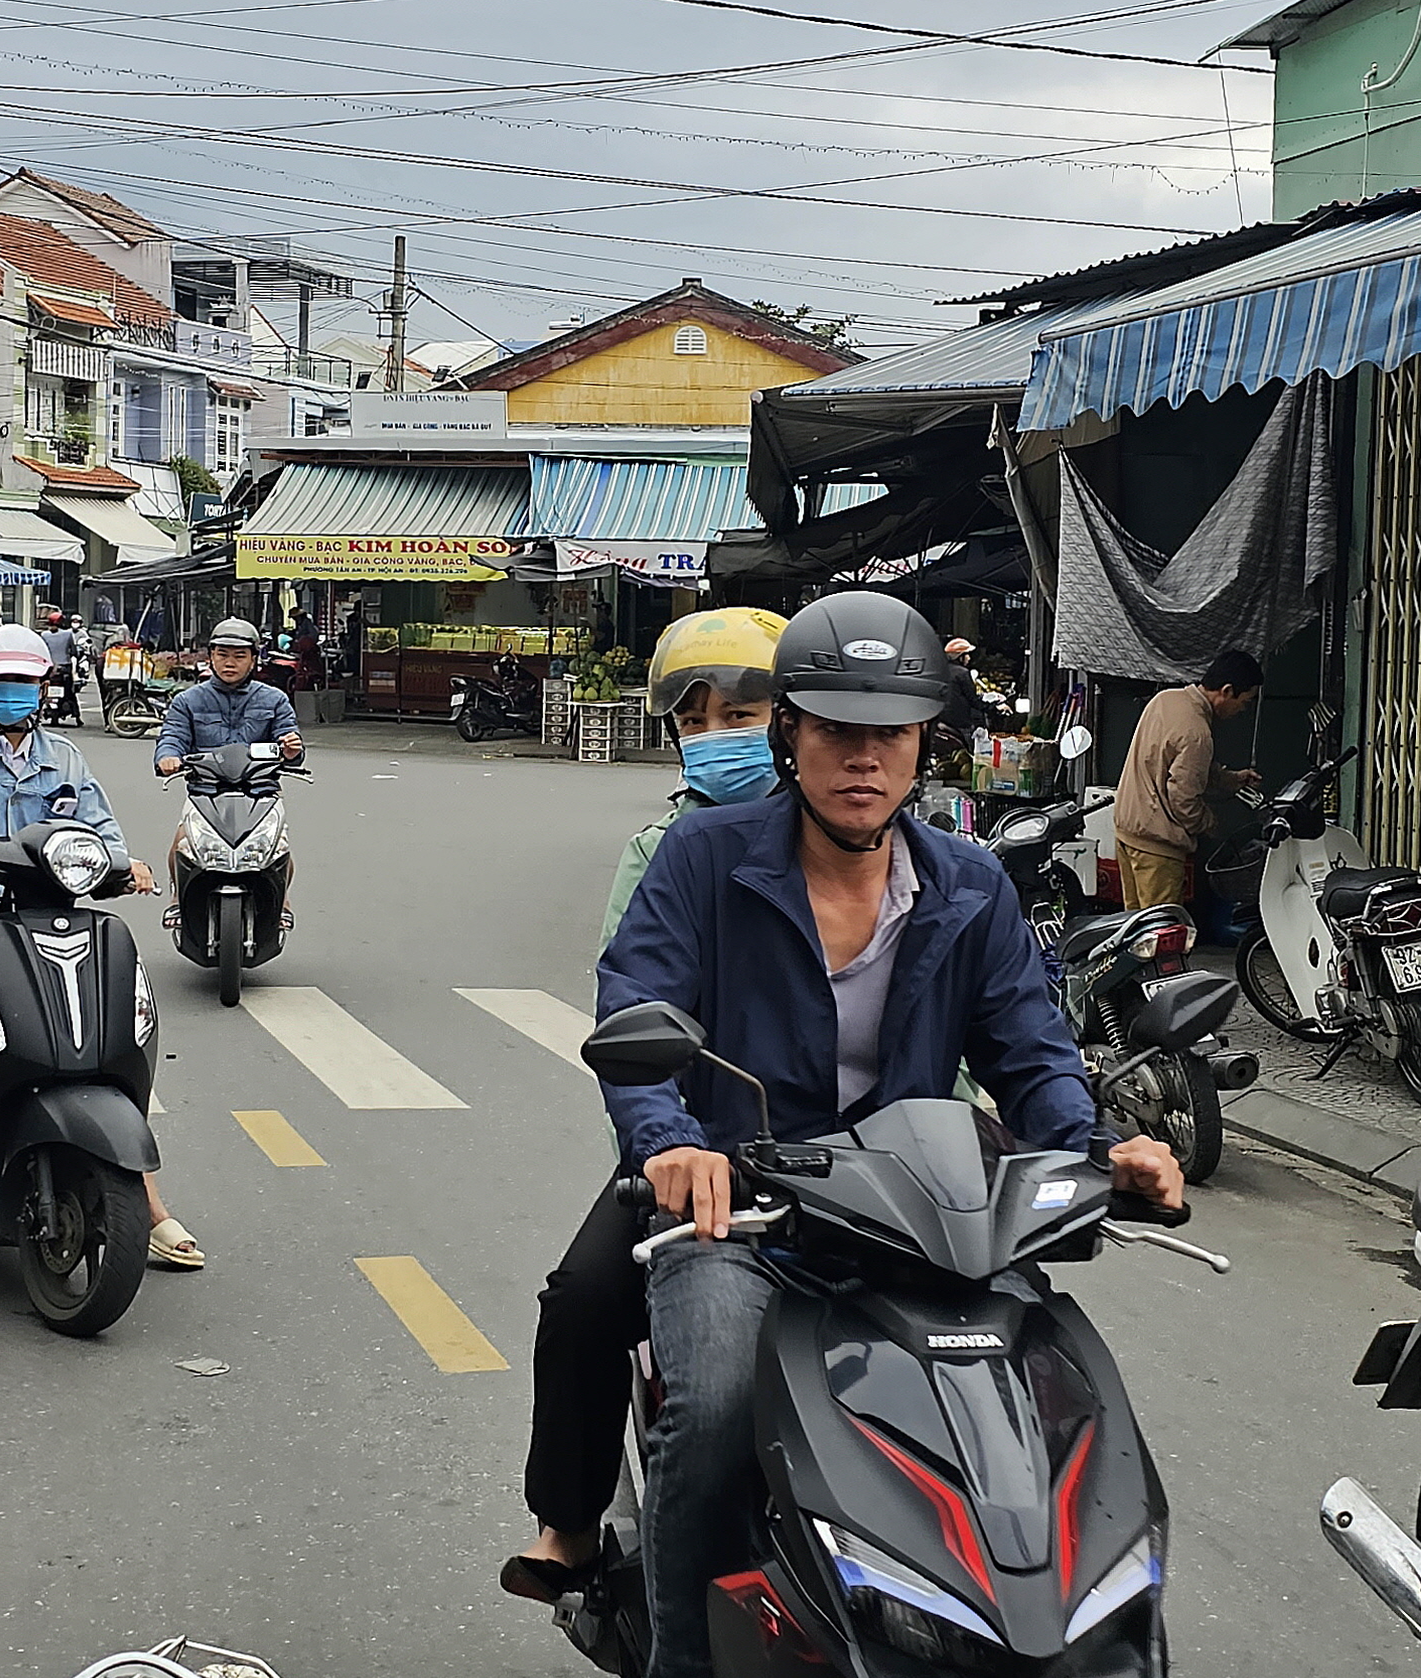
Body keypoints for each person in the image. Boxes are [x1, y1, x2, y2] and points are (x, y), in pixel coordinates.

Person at [596, 591, 1186, 1678]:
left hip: (923, 1209)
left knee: (1051, 1416)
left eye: (890, 734)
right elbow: (637, 1001)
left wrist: (1099, 1148)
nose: (863, 757)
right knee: (718, 1405)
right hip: (750, 1210)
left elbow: (1029, 1051)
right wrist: (669, 1139)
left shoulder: (965, 884)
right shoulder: (705, 858)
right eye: (837, 730)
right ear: (792, 737)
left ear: (923, 747)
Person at [501, 603, 786, 1607]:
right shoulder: (666, 851)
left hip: (881, 1171)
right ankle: (570, 1525)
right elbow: (632, 1004)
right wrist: (666, 1139)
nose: (719, 736)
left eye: (742, 713)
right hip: (706, 1159)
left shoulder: (910, 853)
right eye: (697, 719)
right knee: (580, 1303)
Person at [0, 625, 209, 1280]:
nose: (11, 693)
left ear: (42, 687)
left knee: (112, 1045)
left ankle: (144, 1201)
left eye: (23, 682)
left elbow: (99, 826)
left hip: (49, 920)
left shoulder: (66, 759)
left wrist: (127, 863)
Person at [150, 617, 303, 933]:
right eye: (222, 654)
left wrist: (291, 749)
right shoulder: (187, 700)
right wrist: (167, 757)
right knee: (182, 842)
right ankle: (178, 897)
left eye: (239, 655)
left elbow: (290, 738)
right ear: (211, 657)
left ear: (253, 659)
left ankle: (282, 898)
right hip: (206, 790)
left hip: (261, 790)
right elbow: (173, 736)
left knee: (279, 847)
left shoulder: (274, 699)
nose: (229, 662)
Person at [1109, 650, 1262, 926]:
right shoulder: (1197, 733)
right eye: (1244, 701)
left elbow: (1177, 767)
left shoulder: (1165, 700)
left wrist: (1232, 779)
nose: (1242, 710)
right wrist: (1209, 822)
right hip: (1157, 846)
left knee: (1135, 934)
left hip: (1128, 833)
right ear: (1227, 691)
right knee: (1162, 936)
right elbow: (1184, 799)